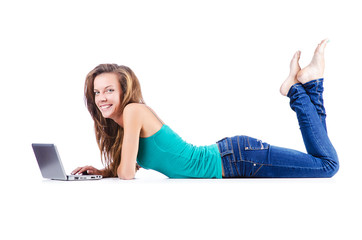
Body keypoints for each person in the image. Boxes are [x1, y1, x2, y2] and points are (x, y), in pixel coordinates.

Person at [72, 39, 339, 180]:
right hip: (234, 157)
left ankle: (294, 90)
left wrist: (115, 171)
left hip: (239, 159)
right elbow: (130, 166)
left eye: (109, 90)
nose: (102, 98)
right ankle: (312, 83)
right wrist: (103, 171)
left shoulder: (132, 111)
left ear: (123, 91)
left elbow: (127, 174)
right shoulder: (124, 123)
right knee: (322, 161)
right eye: (97, 92)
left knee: (327, 166)